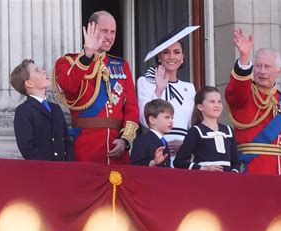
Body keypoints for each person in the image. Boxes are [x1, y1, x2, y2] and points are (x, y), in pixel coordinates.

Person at [53, 11, 139, 165]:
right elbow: (68, 86)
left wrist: (125, 139)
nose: (110, 37)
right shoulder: (68, 62)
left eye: (113, 32)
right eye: (104, 31)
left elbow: (131, 108)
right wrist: (87, 56)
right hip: (86, 146)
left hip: (117, 149)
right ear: (90, 30)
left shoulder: (121, 65)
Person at [225, 29, 281, 175]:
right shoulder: (246, 93)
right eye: (258, 66)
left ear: (279, 71)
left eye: (267, 67)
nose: (261, 71)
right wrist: (244, 58)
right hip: (251, 169)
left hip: (280, 173)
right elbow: (234, 92)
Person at [137, 29, 197, 167]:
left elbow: (193, 125)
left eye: (176, 52)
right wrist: (158, 90)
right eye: (166, 52)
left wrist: (187, 145)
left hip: (184, 153)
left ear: (183, 57)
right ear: (159, 57)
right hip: (157, 150)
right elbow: (144, 119)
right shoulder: (146, 82)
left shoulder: (189, 88)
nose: (171, 57)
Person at [11, 59, 72, 161]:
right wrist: (49, 166)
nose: (44, 71)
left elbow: (67, 141)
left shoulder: (55, 108)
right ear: (29, 83)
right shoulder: (24, 111)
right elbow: (27, 148)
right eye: (37, 71)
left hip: (64, 169)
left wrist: (69, 166)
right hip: (42, 170)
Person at [174, 86, 240, 172]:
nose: (217, 105)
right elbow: (179, 161)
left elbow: (236, 162)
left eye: (219, 102)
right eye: (212, 102)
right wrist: (202, 168)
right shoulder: (195, 131)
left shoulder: (228, 130)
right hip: (204, 180)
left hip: (227, 181)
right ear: (200, 107)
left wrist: (234, 173)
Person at [131, 99, 172, 167]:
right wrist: (152, 163)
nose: (171, 121)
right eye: (167, 117)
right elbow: (135, 165)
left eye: (172, 118)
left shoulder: (164, 142)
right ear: (152, 120)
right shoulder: (142, 140)